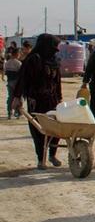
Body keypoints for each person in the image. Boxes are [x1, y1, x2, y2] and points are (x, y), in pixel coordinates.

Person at [10, 34, 63, 169]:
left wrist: (60, 98)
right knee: (38, 130)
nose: (56, 50)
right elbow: (22, 79)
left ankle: (52, 154)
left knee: (57, 127)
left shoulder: (54, 60)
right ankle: (41, 159)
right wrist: (17, 98)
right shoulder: (33, 59)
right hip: (37, 100)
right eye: (54, 46)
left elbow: (57, 82)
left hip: (52, 99)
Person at [4, 47, 22, 119]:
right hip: (17, 83)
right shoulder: (18, 63)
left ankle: (9, 112)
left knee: (10, 98)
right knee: (18, 98)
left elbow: (6, 72)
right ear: (17, 54)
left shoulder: (7, 63)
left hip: (10, 83)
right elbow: (21, 74)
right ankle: (17, 113)